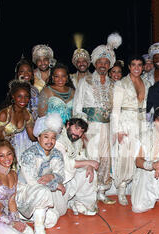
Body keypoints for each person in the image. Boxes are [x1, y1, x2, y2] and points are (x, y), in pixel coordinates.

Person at [73, 33, 122, 205]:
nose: (103, 65)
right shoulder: (85, 82)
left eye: (106, 62)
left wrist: (115, 131)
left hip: (107, 128)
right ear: (95, 63)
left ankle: (101, 190)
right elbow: (78, 108)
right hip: (90, 128)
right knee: (91, 158)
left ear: (110, 65)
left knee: (105, 160)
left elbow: (116, 110)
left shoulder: (113, 84)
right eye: (100, 62)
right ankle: (88, 195)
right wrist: (80, 131)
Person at [16, 113, 66, 234]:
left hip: (42, 191)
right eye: (46, 137)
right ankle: (39, 231)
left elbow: (61, 174)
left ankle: (27, 217)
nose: (50, 141)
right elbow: (32, 181)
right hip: (25, 191)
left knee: (52, 219)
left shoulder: (56, 153)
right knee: (43, 192)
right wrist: (54, 185)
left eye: (53, 137)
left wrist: (52, 176)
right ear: (38, 137)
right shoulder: (29, 154)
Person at [111, 55, 150, 205]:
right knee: (125, 157)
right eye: (133, 64)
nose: (136, 68)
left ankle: (134, 187)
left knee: (138, 154)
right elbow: (115, 109)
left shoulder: (146, 82)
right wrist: (118, 130)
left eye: (139, 65)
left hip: (141, 123)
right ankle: (121, 189)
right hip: (126, 123)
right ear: (129, 66)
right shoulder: (121, 84)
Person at [55, 118, 100, 216]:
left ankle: (82, 203)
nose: (77, 133)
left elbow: (81, 157)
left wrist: (89, 165)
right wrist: (89, 162)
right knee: (60, 212)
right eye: (76, 128)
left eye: (81, 131)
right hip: (58, 180)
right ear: (67, 125)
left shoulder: (77, 141)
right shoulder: (58, 140)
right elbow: (65, 163)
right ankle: (70, 202)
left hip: (70, 177)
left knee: (89, 172)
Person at [0, 80, 36, 163]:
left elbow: (32, 137)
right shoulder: (4, 114)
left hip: (11, 147)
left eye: (26, 96)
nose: (23, 99)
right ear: (13, 96)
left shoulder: (27, 114)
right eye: (19, 96)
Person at [15, 55, 41, 120]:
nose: (26, 74)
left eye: (28, 71)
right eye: (22, 71)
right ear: (18, 74)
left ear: (32, 74)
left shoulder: (35, 90)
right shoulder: (13, 89)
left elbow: (37, 109)